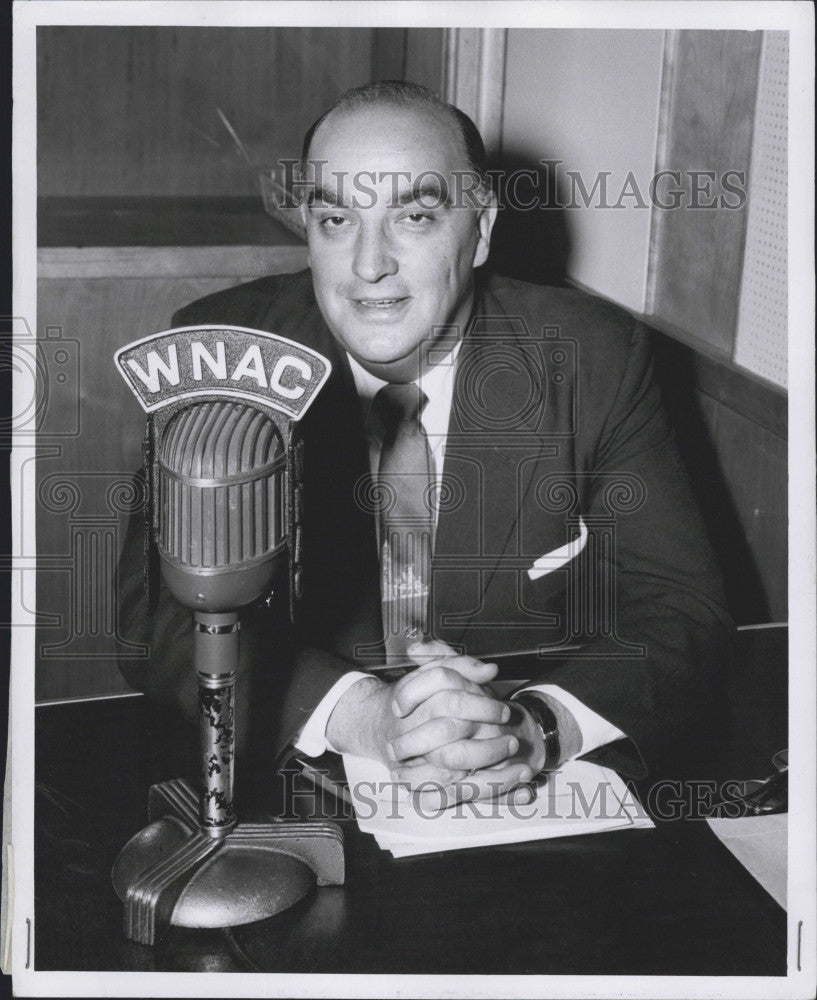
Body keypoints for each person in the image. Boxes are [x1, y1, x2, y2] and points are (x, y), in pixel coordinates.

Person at [118, 81, 733, 805]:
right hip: (298, 778)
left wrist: (532, 726)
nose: (368, 264)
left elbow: (680, 605)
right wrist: (359, 714)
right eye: (336, 218)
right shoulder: (226, 353)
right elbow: (150, 614)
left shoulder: (593, 355)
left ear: (480, 230)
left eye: (413, 215)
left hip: (522, 797)